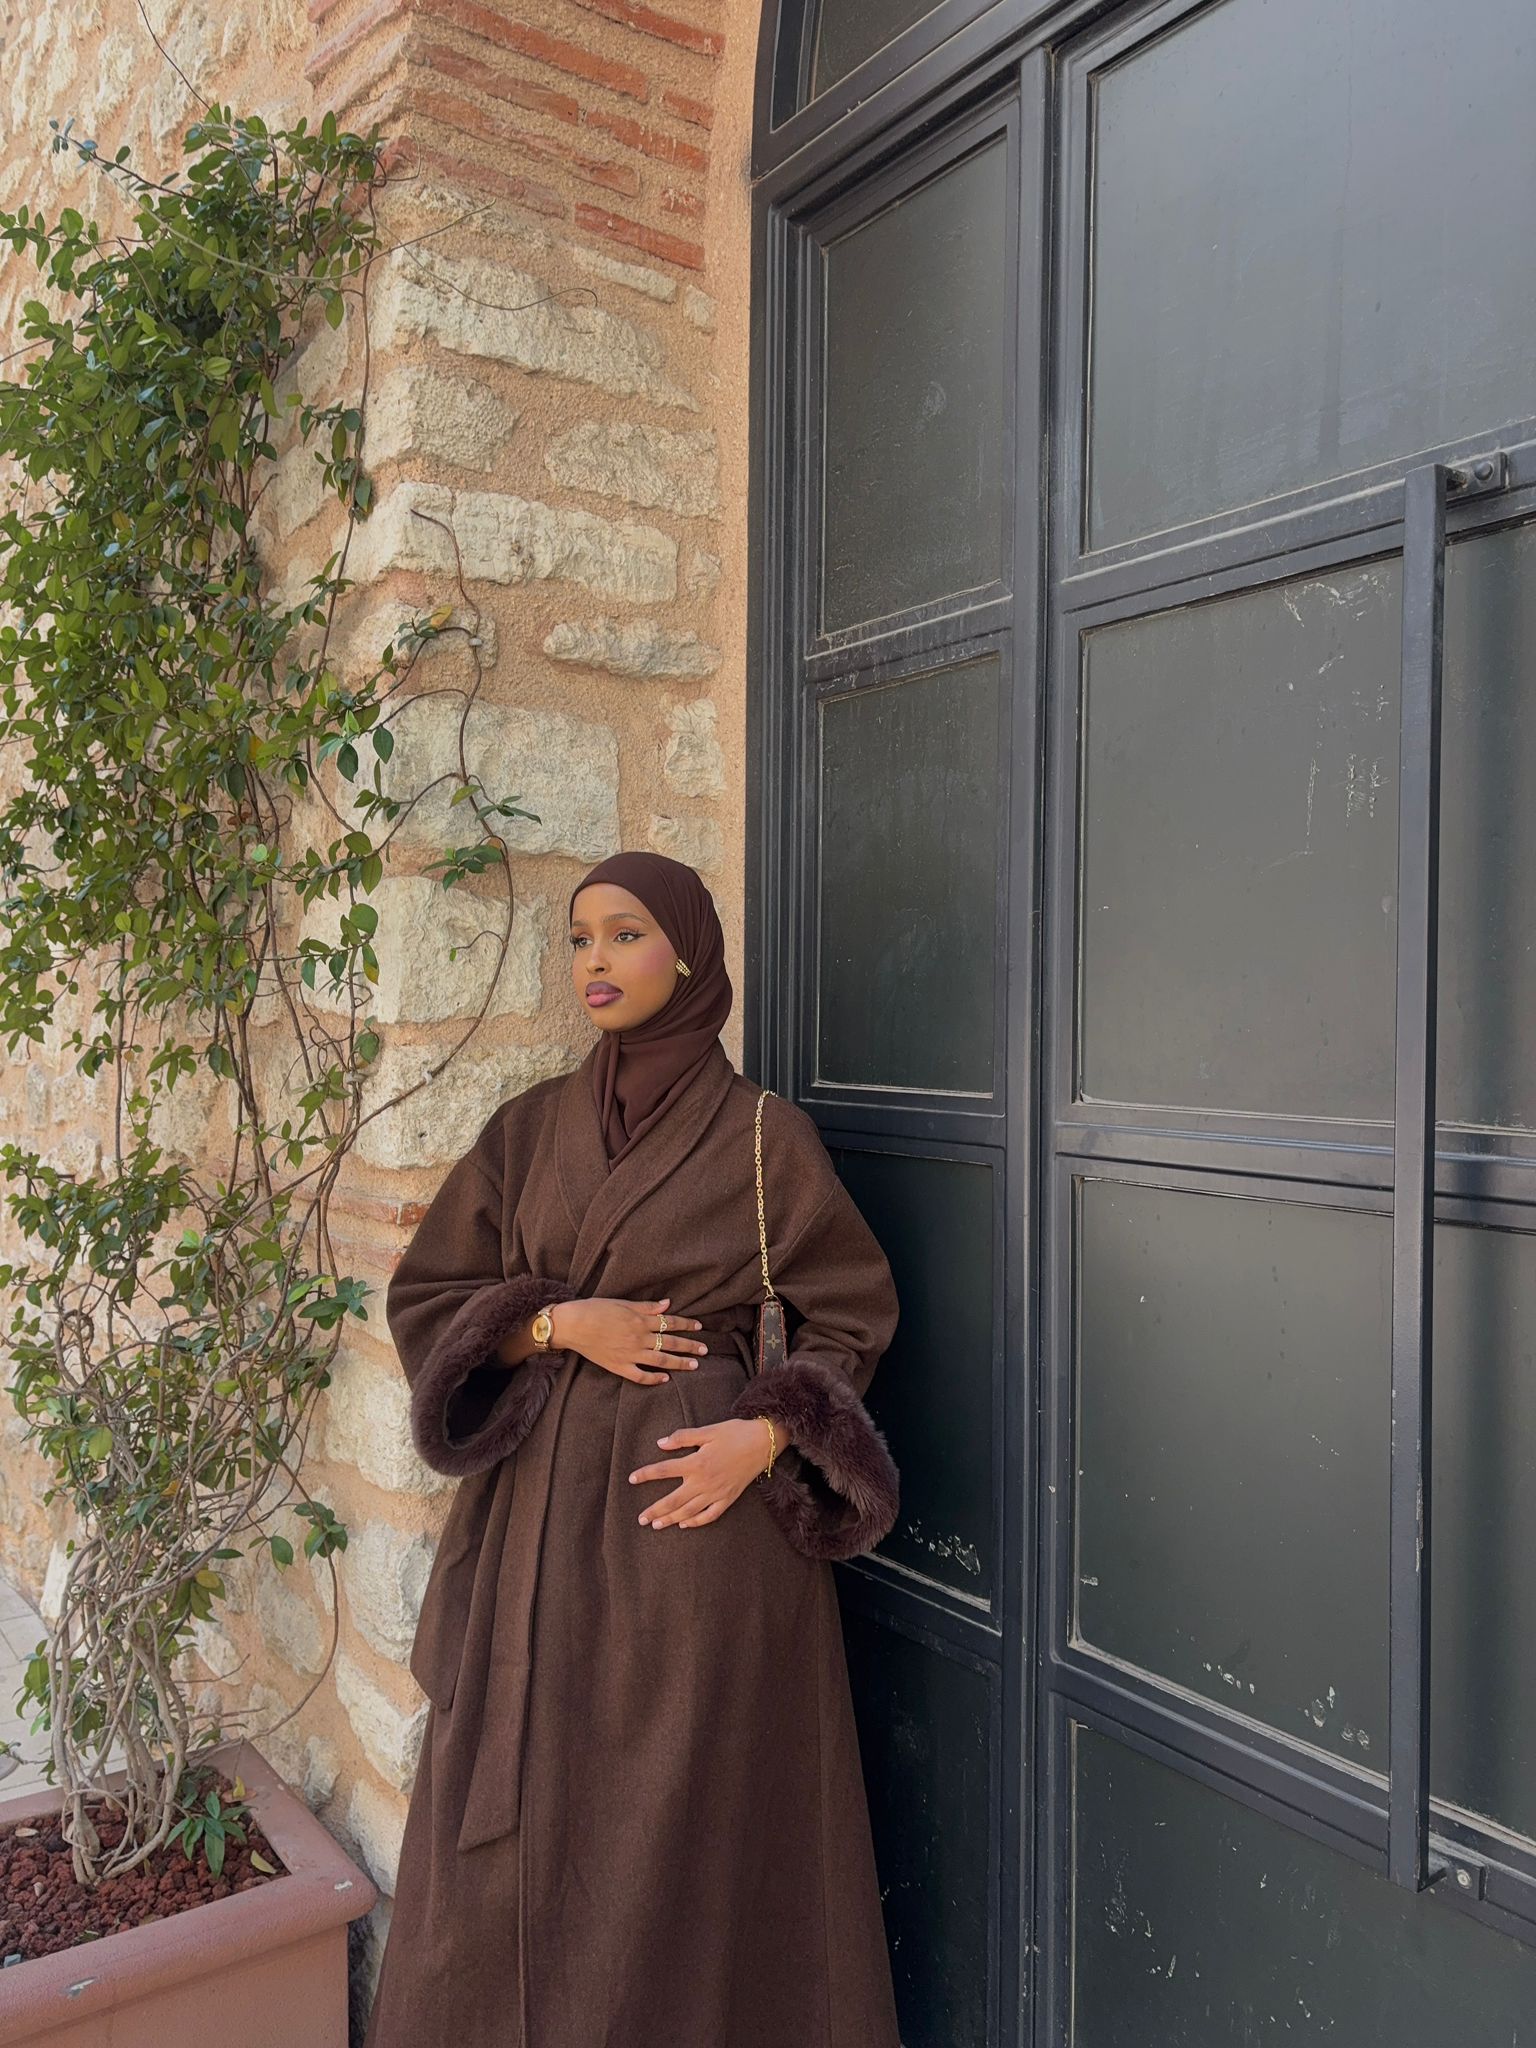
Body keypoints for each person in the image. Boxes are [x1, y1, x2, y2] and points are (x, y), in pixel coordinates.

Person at [361, 849, 903, 2048]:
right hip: (532, 1550)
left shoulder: (768, 1140)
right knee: (509, 1860)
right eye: (578, 938)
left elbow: (853, 1308)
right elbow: (429, 1292)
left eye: (624, 934)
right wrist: (555, 1320)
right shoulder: (529, 1128)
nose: (594, 961)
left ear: (691, 952)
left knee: (679, 1845)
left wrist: (765, 1436)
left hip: (695, 1564)